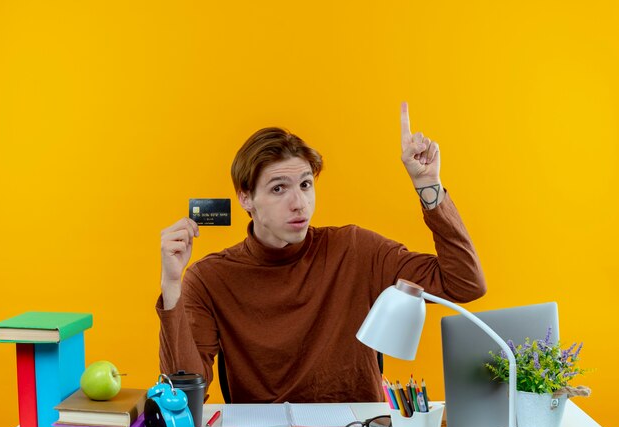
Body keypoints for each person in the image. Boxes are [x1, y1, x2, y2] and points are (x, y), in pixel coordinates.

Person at [157, 102, 486, 403]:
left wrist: (428, 186)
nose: (299, 203)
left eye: (305, 185)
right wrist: (172, 286)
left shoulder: (355, 250)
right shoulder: (211, 277)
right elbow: (183, 397)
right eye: (278, 189)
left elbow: (463, 284)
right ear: (246, 198)